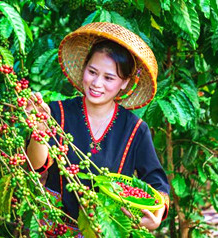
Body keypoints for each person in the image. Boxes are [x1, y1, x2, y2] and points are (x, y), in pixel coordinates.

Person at [26, 22, 170, 232]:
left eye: (109, 78)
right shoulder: (56, 112)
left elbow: (157, 182)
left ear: (124, 83)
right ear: (84, 68)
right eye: (92, 72)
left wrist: (156, 216)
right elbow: (34, 166)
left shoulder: (135, 129)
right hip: (55, 229)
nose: (97, 83)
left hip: (108, 230)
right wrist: (39, 128)